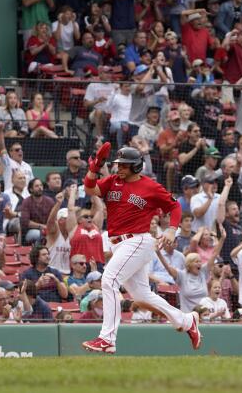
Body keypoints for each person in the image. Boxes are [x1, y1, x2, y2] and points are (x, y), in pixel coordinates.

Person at [81, 144, 201, 354]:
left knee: (109, 280)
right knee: (142, 296)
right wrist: (95, 166)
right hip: (119, 244)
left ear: (135, 167)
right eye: (118, 164)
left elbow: (174, 206)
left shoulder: (150, 186)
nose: (119, 168)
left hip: (138, 240)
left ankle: (107, 338)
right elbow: (90, 188)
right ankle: (187, 320)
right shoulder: (113, 181)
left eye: (124, 166)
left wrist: (172, 230)